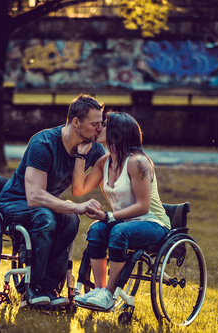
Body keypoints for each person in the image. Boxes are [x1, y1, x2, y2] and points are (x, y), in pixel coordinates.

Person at [0, 94, 106, 307]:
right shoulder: (43, 142)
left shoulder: (92, 149)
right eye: (95, 124)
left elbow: (109, 177)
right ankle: (33, 288)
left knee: (71, 219)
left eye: (101, 124)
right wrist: (75, 206)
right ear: (76, 122)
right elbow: (34, 196)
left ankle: (51, 288)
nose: (99, 129)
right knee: (47, 217)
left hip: (42, 206)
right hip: (14, 203)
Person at [72, 111, 171, 310]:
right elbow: (78, 189)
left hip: (153, 224)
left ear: (116, 133)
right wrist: (81, 155)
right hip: (124, 223)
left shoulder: (138, 162)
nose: (99, 127)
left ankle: (109, 293)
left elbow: (143, 206)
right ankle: (100, 291)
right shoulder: (104, 161)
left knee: (118, 231)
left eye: (105, 124)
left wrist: (108, 216)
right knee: (96, 230)